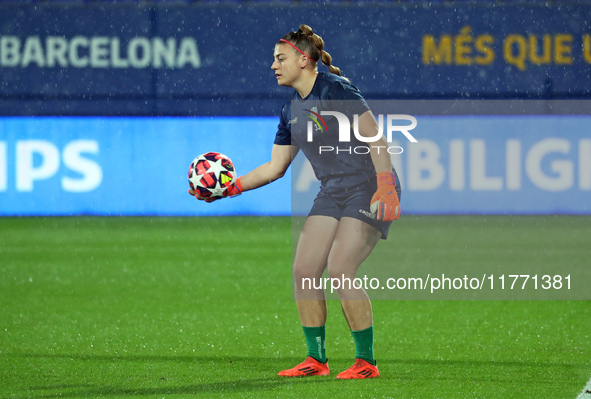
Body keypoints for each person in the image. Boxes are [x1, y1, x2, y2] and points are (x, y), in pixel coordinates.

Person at [189, 25, 401, 379]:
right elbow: (275, 168)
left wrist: (386, 186)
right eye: (274, 59)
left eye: (280, 58)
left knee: (340, 268)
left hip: (369, 186)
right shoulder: (289, 111)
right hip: (333, 191)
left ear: (304, 60)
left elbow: (376, 139)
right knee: (304, 272)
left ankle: (366, 362)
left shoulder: (336, 89)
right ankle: (315, 360)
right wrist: (229, 189)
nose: (273, 65)